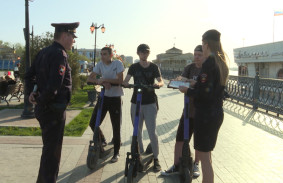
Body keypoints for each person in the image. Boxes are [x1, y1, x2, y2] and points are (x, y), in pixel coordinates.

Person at [25, 22, 79, 183]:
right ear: (64, 36)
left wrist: (31, 94)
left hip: (45, 109)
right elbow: (54, 85)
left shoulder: (43, 52)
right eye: (72, 37)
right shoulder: (59, 54)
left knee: (49, 150)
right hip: (53, 111)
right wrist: (40, 100)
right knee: (52, 154)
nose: (73, 41)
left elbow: (29, 75)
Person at [182, 29, 229, 183]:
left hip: (205, 116)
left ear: (206, 44)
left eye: (202, 44)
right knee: (207, 155)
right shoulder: (222, 62)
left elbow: (204, 95)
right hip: (216, 114)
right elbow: (212, 88)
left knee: (204, 159)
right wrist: (196, 83)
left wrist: (187, 90)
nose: (202, 47)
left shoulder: (209, 62)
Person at [161, 45, 204, 177]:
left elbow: (207, 87)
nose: (196, 57)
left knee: (199, 142)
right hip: (188, 111)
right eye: (195, 54)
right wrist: (179, 82)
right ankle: (176, 165)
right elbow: (182, 80)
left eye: (199, 55)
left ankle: (196, 165)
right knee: (180, 138)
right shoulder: (189, 68)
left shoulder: (207, 70)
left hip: (202, 112)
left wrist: (192, 83)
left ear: (205, 56)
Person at [122, 44, 164, 172]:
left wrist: (158, 84)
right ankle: (138, 155)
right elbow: (126, 80)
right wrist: (126, 84)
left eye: (146, 52)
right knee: (137, 131)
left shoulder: (154, 67)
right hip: (136, 102)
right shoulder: (134, 67)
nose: (144, 54)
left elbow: (161, 80)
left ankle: (156, 159)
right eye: (142, 52)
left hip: (150, 102)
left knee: (152, 132)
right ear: (138, 53)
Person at [86, 46, 124, 163]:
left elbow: (119, 81)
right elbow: (89, 78)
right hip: (104, 98)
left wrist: (104, 80)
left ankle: (116, 152)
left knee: (116, 126)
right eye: (101, 54)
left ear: (111, 55)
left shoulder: (117, 64)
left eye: (105, 54)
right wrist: (100, 80)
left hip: (115, 99)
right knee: (93, 123)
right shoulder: (100, 64)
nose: (102, 56)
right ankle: (102, 140)